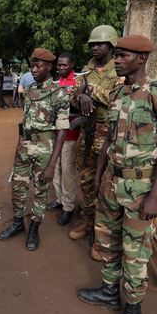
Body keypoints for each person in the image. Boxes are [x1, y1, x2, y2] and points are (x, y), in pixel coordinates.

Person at [77, 35, 157, 314]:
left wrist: (156, 194)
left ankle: (133, 308)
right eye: (117, 55)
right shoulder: (117, 93)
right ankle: (110, 292)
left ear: (141, 59)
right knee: (108, 242)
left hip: (140, 187)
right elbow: (108, 138)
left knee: (135, 251)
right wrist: (98, 176)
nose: (117, 60)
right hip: (111, 181)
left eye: (123, 56)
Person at [0, 48, 69, 250]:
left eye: (38, 66)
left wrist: (52, 164)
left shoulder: (58, 93)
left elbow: (62, 130)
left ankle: (34, 228)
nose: (34, 69)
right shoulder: (29, 91)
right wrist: (20, 145)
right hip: (24, 145)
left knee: (41, 189)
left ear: (49, 67)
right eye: (32, 65)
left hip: (45, 148)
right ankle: (18, 223)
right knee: (18, 187)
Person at [69, 25, 120, 261]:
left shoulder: (118, 70)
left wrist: (89, 92)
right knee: (86, 179)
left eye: (99, 44)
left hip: (107, 131)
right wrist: (81, 95)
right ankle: (87, 223)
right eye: (92, 44)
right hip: (87, 130)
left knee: (105, 185)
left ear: (111, 45)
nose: (95, 47)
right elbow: (73, 95)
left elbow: (115, 98)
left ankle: (103, 238)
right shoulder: (86, 71)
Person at [46, 53, 80, 225]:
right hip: (55, 134)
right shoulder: (54, 83)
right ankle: (59, 200)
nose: (60, 68)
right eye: (58, 65)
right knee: (55, 170)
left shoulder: (79, 82)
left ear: (72, 65)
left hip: (71, 136)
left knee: (67, 172)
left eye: (64, 65)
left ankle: (68, 207)